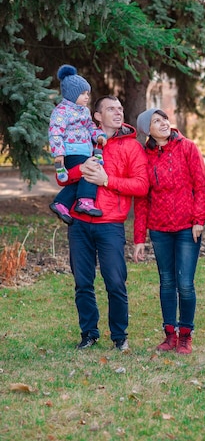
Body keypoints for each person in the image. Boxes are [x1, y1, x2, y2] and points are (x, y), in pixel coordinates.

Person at [58, 95, 149, 351]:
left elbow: (142, 186)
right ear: (97, 115)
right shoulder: (81, 140)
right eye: (111, 109)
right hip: (78, 222)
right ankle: (89, 333)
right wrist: (82, 170)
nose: (118, 112)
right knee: (83, 282)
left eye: (120, 108)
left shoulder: (131, 147)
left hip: (110, 223)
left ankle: (120, 337)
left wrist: (107, 180)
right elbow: (62, 177)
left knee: (115, 282)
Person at [133, 108, 205, 355]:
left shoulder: (187, 147)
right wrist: (139, 238)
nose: (163, 123)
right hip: (160, 229)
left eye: (164, 118)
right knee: (166, 282)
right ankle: (169, 335)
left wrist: (199, 219)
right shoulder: (145, 156)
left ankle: (185, 335)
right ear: (147, 130)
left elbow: (201, 184)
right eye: (156, 121)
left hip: (188, 227)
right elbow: (142, 199)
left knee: (185, 283)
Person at [49, 64, 107, 225]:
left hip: (85, 150)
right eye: (82, 93)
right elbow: (55, 133)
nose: (87, 96)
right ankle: (85, 201)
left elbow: (90, 127)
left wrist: (99, 135)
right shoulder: (61, 112)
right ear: (71, 94)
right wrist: (59, 153)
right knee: (90, 170)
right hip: (71, 150)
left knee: (81, 177)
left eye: (88, 93)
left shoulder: (84, 111)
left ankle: (61, 203)